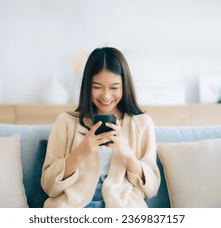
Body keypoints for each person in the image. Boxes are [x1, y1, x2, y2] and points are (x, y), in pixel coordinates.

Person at [41, 47, 160, 208]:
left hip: (123, 206)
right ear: (87, 86)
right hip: (73, 206)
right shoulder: (66, 122)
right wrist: (79, 153)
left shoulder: (142, 124)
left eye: (114, 87)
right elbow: (49, 186)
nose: (106, 96)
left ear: (125, 87)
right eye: (97, 87)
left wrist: (128, 153)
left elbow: (151, 189)